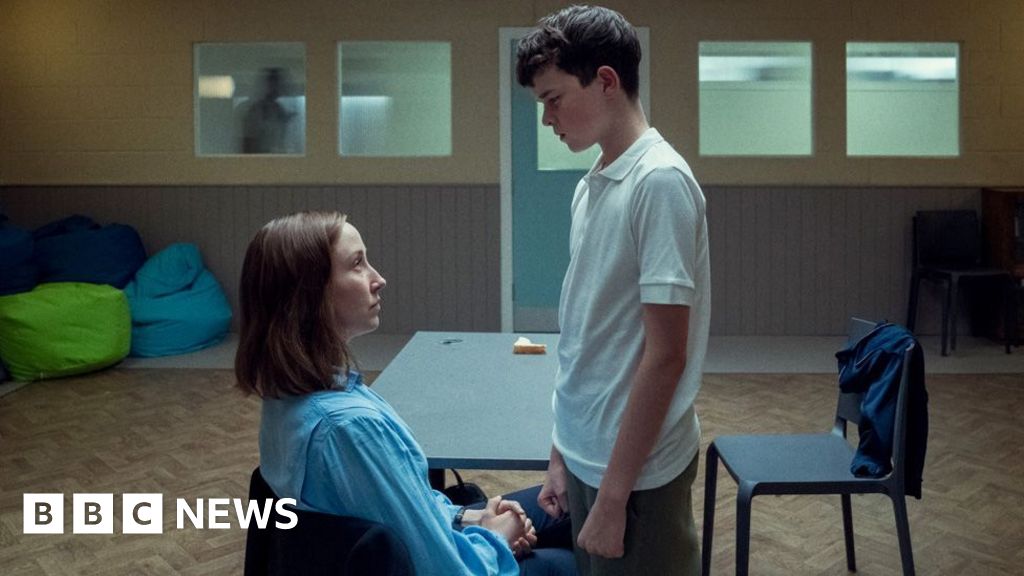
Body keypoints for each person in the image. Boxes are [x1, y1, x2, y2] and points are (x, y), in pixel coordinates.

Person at [235, 211, 575, 575]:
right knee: (578, 555)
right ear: (309, 293)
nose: (378, 279)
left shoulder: (289, 399)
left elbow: (408, 508)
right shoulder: (346, 428)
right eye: (357, 264)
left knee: (573, 505)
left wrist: (469, 517)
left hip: (415, 544)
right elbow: (446, 570)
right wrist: (496, 538)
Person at [516, 5, 711, 576]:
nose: (547, 119)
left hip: (635, 475)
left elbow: (666, 355)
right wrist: (561, 453)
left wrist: (613, 497)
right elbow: (584, 336)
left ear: (605, 80)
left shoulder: (660, 182)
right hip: (586, 455)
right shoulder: (593, 184)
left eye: (554, 99)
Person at [241, 67, 294, 154]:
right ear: (269, 84)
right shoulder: (254, 110)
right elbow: (248, 146)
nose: (281, 88)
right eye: (277, 84)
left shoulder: (278, 108)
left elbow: (280, 141)